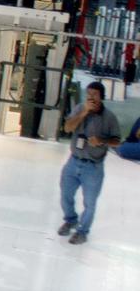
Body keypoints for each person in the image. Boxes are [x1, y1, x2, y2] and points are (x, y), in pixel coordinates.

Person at [58, 81, 121, 244]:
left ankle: (82, 231)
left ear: (102, 97)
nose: (91, 97)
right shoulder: (80, 108)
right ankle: (71, 219)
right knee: (65, 194)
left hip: (93, 166)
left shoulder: (109, 118)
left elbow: (116, 141)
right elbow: (67, 128)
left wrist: (101, 140)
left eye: (95, 95)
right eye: (89, 94)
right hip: (74, 161)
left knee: (90, 202)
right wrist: (83, 113)